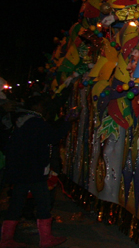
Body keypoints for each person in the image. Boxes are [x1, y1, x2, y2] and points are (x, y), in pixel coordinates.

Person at [1, 95, 67, 248]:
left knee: (16, 204)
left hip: (20, 170)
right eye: (43, 105)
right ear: (36, 107)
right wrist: (66, 123)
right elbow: (53, 137)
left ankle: (6, 239)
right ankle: (45, 238)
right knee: (43, 203)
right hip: (33, 170)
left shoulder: (22, 120)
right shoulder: (35, 122)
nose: (44, 109)